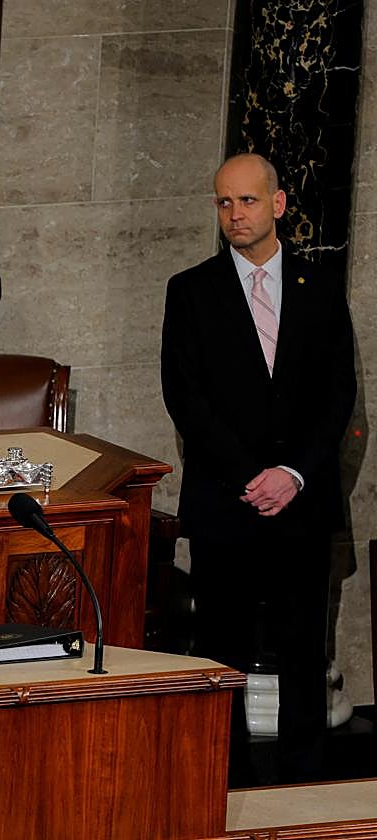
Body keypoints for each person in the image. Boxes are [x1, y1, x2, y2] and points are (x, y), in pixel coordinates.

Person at [161, 152, 356, 784]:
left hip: (302, 500)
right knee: (224, 653)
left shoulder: (321, 286)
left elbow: (338, 397)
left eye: (246, 201)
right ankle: (224, 782)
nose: (234, 214)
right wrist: (251, 475)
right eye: (223, 202)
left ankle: (304, 785)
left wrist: (292, 475)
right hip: (227, 502)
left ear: (276, 204)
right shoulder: (190, 291)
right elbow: (185, 398)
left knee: (304, 653)